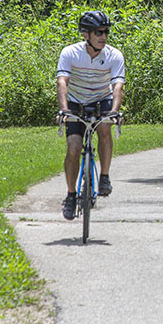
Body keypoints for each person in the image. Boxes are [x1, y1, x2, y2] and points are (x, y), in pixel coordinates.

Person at [56, 11, 126, 220]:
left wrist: (113, 111)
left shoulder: (114, 55)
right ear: (86, 34)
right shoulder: (70, 53)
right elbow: (62, 83)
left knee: (105, 128)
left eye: (106, 32)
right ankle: (70, 195)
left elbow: (117, 86)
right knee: (74, 148)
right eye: (99, 32)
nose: (103, 37)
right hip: (76, 102)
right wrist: (64, 109)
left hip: (102, 100)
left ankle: (104, 177)